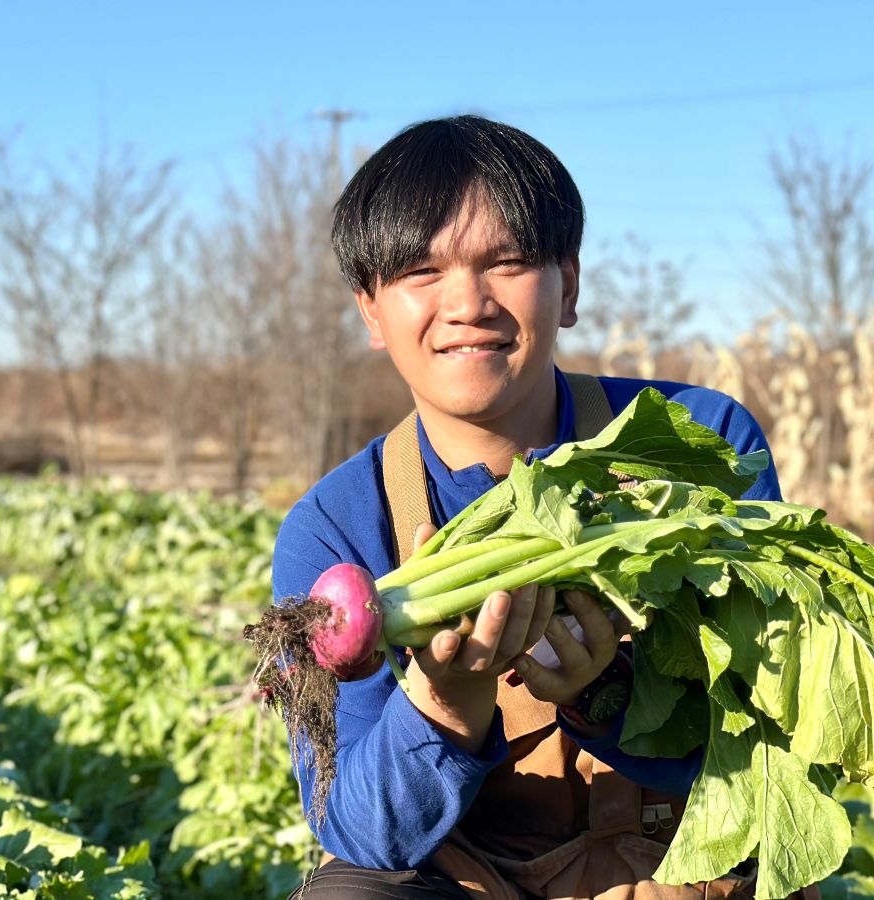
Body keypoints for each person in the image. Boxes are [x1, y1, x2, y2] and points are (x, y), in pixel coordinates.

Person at [271, 116, 785, 899]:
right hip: (476, 877)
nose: (467, 303)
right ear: (372, 311)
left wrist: (606, 697)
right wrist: (444, 703)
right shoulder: (336, 525)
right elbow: (360, 831)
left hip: (686, 864)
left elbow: (771, 738)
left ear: (568, 285)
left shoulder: (698, 441)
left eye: (506, 262)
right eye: (420, 271)